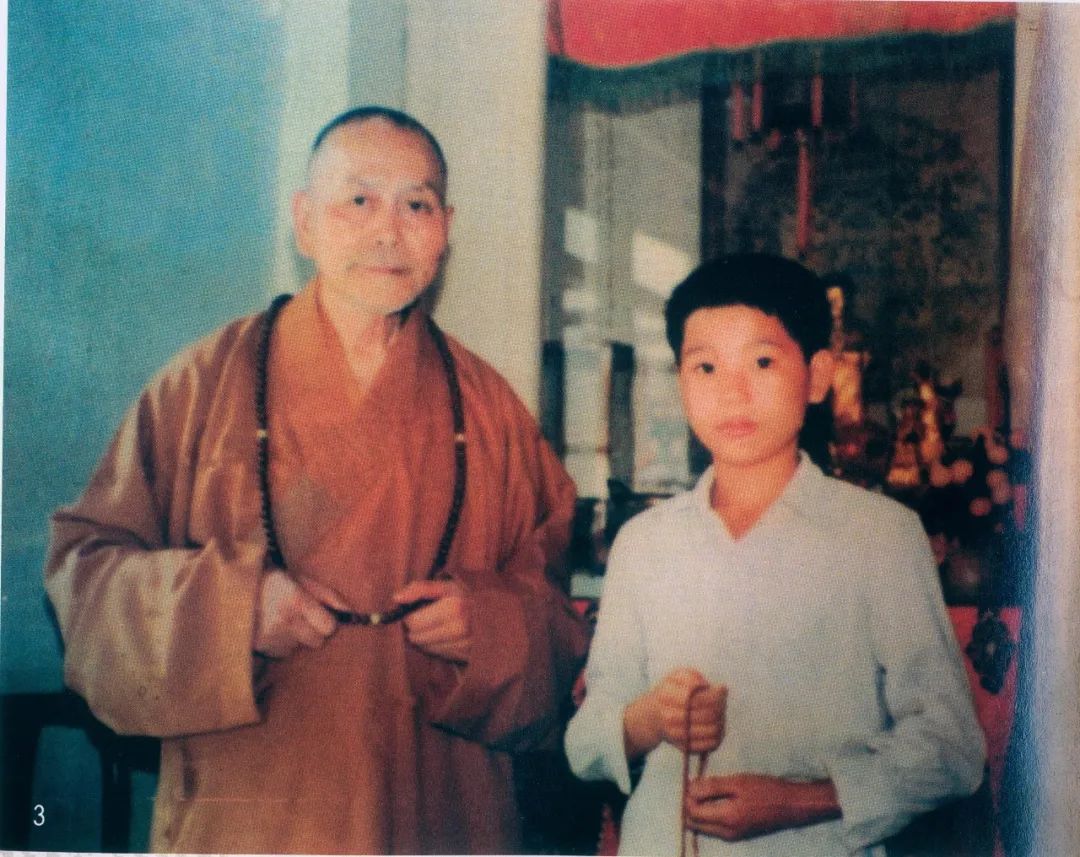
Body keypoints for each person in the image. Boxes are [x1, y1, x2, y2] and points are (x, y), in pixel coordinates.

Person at [45, 106, 589, 854]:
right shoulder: (202, 385)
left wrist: (489, 628)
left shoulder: (491, 410)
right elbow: (86, 582)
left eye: (417, 205)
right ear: (304, 222)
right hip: (251, 805)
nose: (388, 231)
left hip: (436, 803)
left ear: (446, 228)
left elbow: (561, 624)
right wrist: (236, 610)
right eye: (358, 200)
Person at [564, 254, 985, 856]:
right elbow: (584, 744)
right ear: (681, 382)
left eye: (762, 362)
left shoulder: (879, 537)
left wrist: (804, 799)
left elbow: (951, 747)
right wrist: (649, 719)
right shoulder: (645, 544)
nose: (732, 392)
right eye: (705, 367)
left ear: (817, 376)